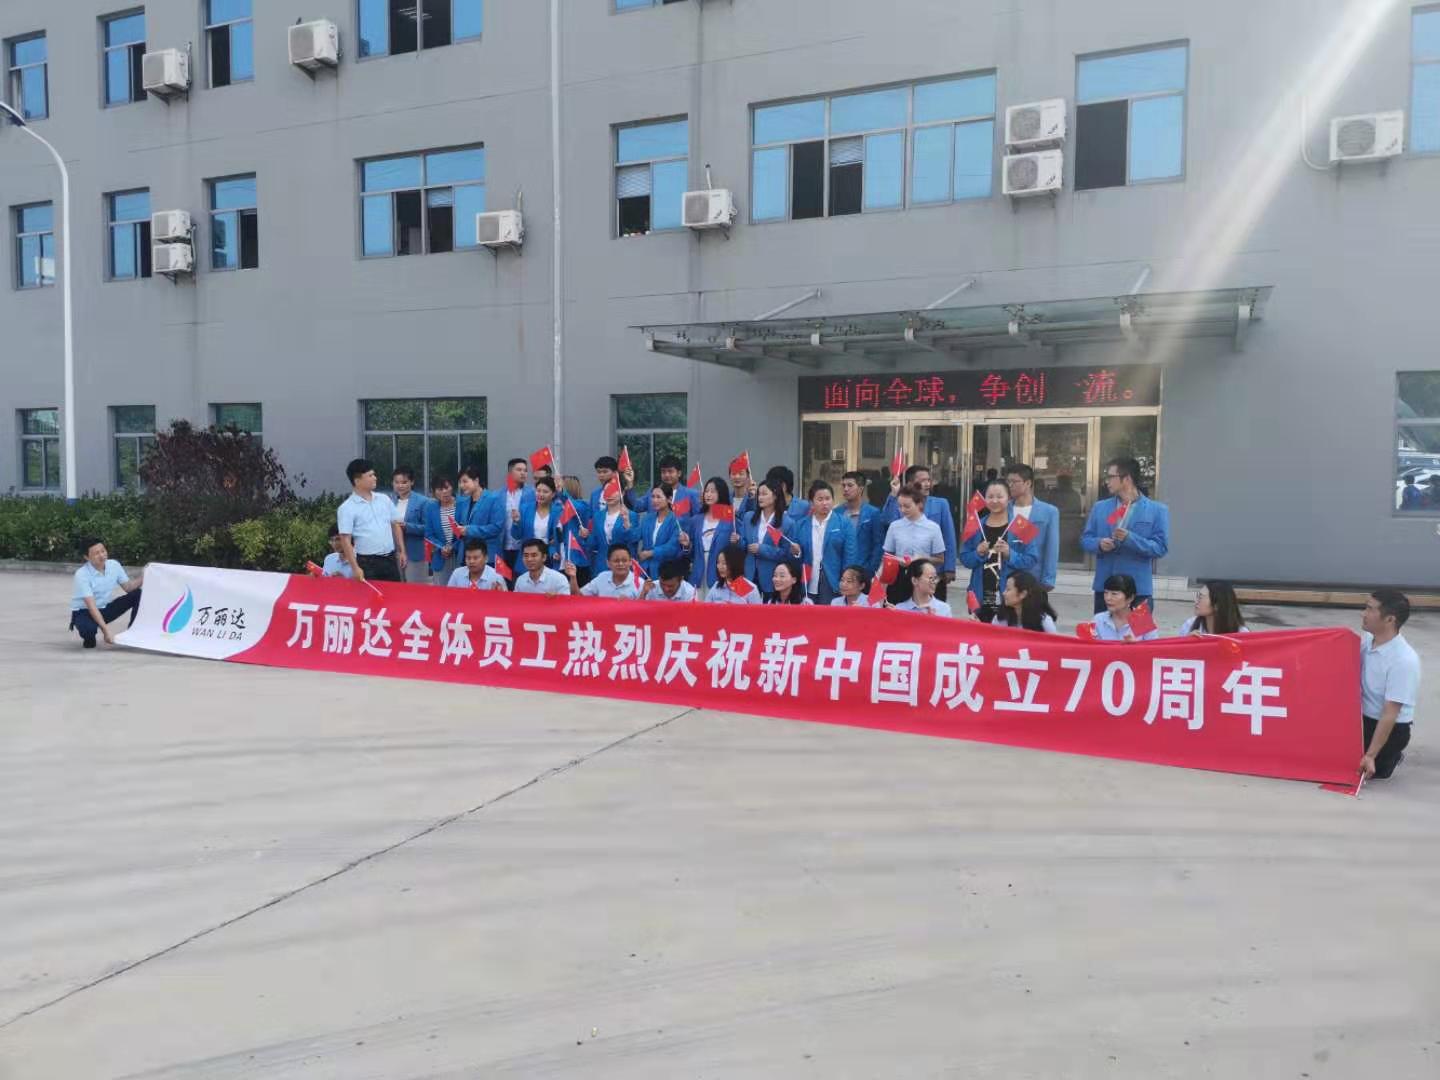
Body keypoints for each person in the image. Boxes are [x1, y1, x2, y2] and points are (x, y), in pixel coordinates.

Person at [1081, 456, 1169, 615]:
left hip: (1138, 590)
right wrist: (1099, 543)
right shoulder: (1100, 508)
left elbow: (1160, 548)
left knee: (1139, 630)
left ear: (1127, 479)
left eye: (1110, 477)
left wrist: (1130, 539)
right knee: (1104, 630)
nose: (1107, 481)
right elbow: (1086, 540)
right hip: (1106, 589)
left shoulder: (1157, 510)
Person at [1359, 588, 1421, 780]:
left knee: (1361, 770)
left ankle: (1391, 756)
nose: (1363, 614)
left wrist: (1370, 756)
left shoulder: (1403, 660)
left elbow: (1390, 714)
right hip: (1360, 717)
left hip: (1389, 726)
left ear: (1389, 619)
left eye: (1370, 609)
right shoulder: (1367, 641)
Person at [960, 479, 1038, 622]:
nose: (994, 501)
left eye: (999, 496)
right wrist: (977, 553)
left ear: (1009, 498)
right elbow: (964, 558)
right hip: (981, 594)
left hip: (1011, 598)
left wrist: (1010, 554)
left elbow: (1032, 559)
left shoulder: (1022, 525)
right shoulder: (975, 525)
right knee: (981, 632)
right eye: (990, 497)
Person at [880, 465, 958, 598]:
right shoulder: (901, 507)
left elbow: (949, 536)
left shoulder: (941, 504)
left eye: (928, 480)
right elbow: (887, 520)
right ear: (910, 483)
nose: (927, 484)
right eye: (922, 481)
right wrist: (894, 494)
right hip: (902, 575)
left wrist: (950, 567)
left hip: (933, 571)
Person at [337, 458, 406, 582]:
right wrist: (355, 567)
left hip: (390, 559)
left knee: (394, 593)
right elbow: (345, 539)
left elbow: (395, 524)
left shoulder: (384, 499)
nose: (375, 478)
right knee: (371, 594)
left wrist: (402, 551)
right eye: (370, 475)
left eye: (374, 474)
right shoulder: (347, 508)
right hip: (367, 563)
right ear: (357, 481)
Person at [791, 480, 856, 605]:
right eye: (820, 499)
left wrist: (846, 583)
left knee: (829, 616)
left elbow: (850, 556)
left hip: (833, 581)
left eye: (828, 498)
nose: (825, 503)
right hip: (807, 582)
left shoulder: (844, 523)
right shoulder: (801, 525)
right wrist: (796, 553)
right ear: (811, 502)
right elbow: (795, 557)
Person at [70, 538, 144, 648]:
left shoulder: (114, 565)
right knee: (88, 630)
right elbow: (92, 607)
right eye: (96, 553)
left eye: (103, 551)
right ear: (87, 557)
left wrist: (145, 575)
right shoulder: (82, 575)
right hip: (85, 612)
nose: (102, 555)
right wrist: (106, 632)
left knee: (138, 594)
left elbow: (129, 588)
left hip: (105, 608)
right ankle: (89, 638)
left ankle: (133, 631)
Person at [881, 484, 945, 605]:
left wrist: (921, 558)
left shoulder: (933, 528)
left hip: (923, 577)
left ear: (919, 504)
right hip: (899, 577)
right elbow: (887, 556)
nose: (902, 510)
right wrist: (897, 560)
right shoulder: (895, 526)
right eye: (900, 506)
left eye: (907, 506)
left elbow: (940, 559)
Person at [1005, 463, 1060, 590]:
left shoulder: (1049, 511)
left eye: (1014, 482)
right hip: (1006, 577)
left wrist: (1048, 579)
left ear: (1028, 483)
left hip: (1034, 576)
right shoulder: (1004, 509)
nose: (1010, 485)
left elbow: (1052, 547)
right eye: (1008, 482)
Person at [680, 477, 736, 596]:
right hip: (698, 572)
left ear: (721, 493)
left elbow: (739, 546)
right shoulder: (696, 519)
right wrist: (687, 545)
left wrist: (737, 540)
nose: (708, 494)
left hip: (720, 570)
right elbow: (690, 553)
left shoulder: (730, 518)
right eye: (707, 491)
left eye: (713, 491)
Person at [581, 478, 639, 578]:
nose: (609, 495)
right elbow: (593, 544)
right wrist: (585, 536)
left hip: (623, 565)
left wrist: (626, 523)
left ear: (622, 493)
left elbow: (633, 541)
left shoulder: (632, 515)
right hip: (601, 566)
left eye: (613, 491)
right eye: (606, 491)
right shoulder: (598, 516)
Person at [743, 479, 790, 595]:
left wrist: (762, 549)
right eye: (759, 494)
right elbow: (743, 544)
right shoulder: (749, 517)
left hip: (771, 577)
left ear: (775, 496)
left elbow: (786, 553)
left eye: (764, 494)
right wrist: (738, 540)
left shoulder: (786, 522)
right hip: (749, 574)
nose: (760, 497)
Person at [512, 475, 565, 568]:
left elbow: (558, 537)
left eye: (545, 492)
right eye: (538, 490)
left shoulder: (558, 511)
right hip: (528, 558)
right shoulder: (525, 508)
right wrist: (516, 523)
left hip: (548, 558)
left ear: (553, 494)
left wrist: (554, 551)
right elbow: (516, 536)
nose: (540, 494)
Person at [393, 466, 433, 584]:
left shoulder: (423, 501)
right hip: (394, 553)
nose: (400, 485)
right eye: (397, 482)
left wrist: (407, 526)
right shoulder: (391, 502)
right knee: (397, 589)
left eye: (404, 482)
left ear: (412, 482)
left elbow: (429, 528)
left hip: (415, 553)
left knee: (416, 588)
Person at [1089, 574, 1158, 642]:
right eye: (1106, 593)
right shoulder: (1099, 620)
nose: (1108, 598)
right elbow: (1092, 646)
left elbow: (1153, 647)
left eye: (1114, 594)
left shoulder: (1143, 620)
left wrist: (1136, 646)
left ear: (1130, 598)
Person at [637, 483, 683, 579]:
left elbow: (672, 548)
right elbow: (635, 536)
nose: (654, 500)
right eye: (653, 497)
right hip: (645, 571)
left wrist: (650, 553)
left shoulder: (676, 520)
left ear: (669, 499)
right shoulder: (647, 518)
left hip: (665, 572)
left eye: (658, 497)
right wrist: (627, 523)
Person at [840, 470, 882, 574]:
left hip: (863, 570)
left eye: (850, 485)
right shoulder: (837, 512)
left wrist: (870, 569)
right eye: (843, 485)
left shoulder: (873, 513)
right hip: (840, 570)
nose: (845, 489)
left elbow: (878, 545)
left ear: (860, 489)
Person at [422, 473, 461, 583]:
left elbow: (465, 530)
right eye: (440, 489)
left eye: (447, 487)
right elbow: (429, 534)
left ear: (452, 487)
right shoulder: (431, 508)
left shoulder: (462, 503)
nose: (444, 491)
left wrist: (453, 547)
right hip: (441, 556)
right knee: (441, 590)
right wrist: (441, 547)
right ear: (434, 492)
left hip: (460, 555)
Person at [567, 542, 641, 598]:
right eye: (616, 561)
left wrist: (630, 604)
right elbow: (578, 597)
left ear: (630, 562)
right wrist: (573, 577)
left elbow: (645, 608)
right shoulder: (602, 577)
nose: (620, 564)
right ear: (608, 563)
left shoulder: (640, 583)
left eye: (624, 561)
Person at [1179, 581, 1249, 636]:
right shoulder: (1189, 625)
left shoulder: (1241, 633)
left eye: (1200, 597)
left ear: (1217, 605)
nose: (1196, 601)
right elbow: (1177, 649)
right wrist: (1188, 641)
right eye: (1198, 596)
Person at [499, 457, 531, 573]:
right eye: (519, 470)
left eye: (525, 470)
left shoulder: (532, 493)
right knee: (504, 580)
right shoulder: (498, 495)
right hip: (504, 547)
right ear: (510, 473)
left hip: (525, 547)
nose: (523, 473)